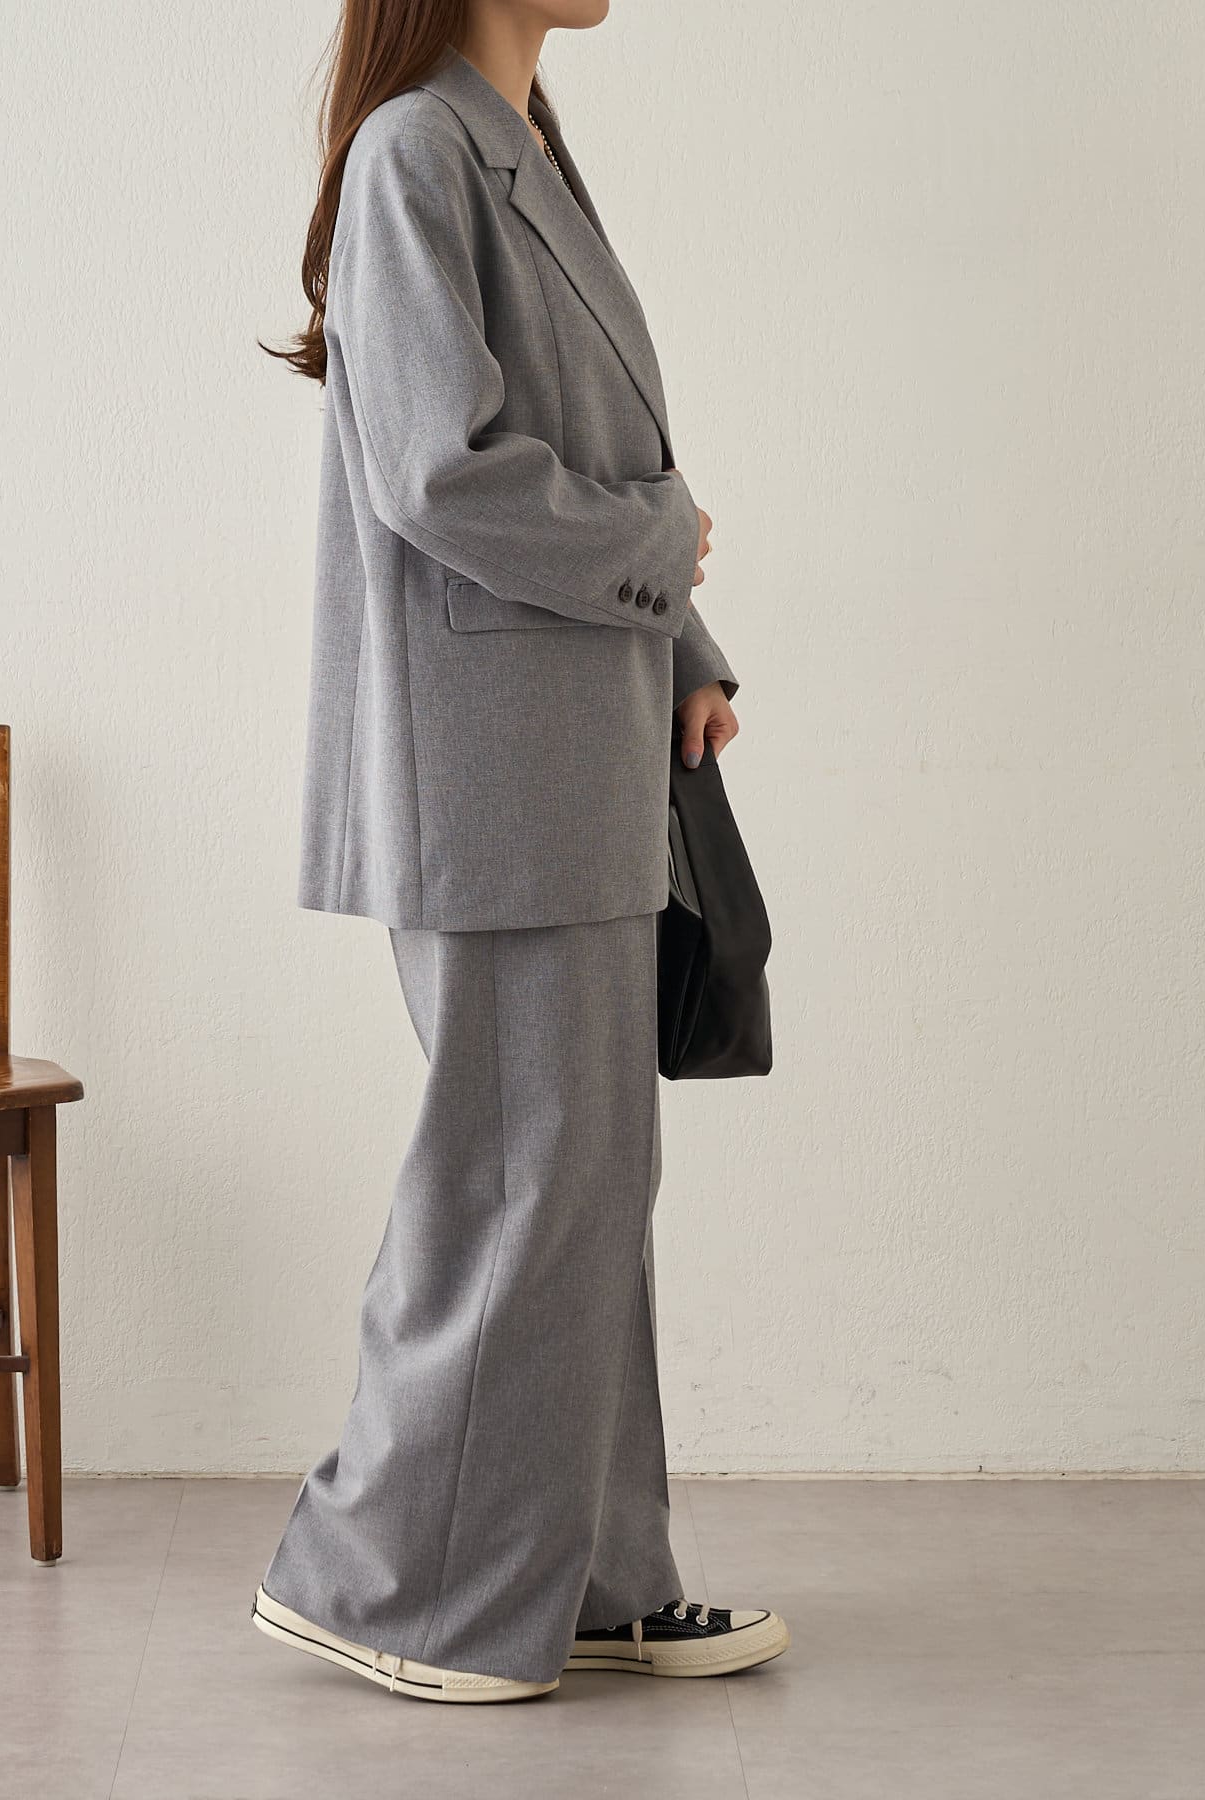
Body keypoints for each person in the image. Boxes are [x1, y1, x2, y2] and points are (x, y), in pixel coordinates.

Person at [253, 0, 789, 1703]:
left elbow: (602, 442)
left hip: (574, 747)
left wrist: (685, 651)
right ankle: (385, 1585)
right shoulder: (417, 151)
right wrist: (658, 549)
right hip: (485, 767)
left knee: (587, 1178)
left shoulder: (519, 140)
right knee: (522, 1177)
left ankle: (595, 1579)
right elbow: (441, 476)